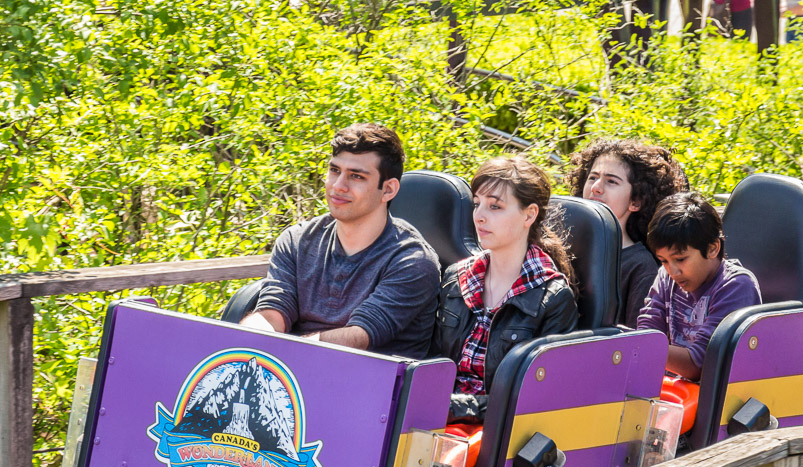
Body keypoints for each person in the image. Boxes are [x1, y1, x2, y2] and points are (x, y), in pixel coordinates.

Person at [242, 123, 440, 359]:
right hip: (293, 378)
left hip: (371, 385)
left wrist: (284, 352)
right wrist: (245, 337)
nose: (338, 186)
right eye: (335, 171)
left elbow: (359, 337)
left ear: (388, 190)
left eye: (356, 176)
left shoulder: (413, 261)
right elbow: (273, 312)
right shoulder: (297, 241)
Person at [432, 157, 580, 425]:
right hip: (434, 419)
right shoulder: (456, 278)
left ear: (529, 214)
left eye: (495, 206)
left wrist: (457, 408)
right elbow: (428, 360)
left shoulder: (554, 298)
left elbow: (538, 396)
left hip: (498, 436)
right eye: (477, 204)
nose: (479, 215)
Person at [636, 192, 761, 382]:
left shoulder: (736, 287)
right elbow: (649, 328)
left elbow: (699, 364)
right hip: (675, 394)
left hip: (715, 402)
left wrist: (640, 347)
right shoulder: (666, 276)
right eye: (664, 261)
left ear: (713, 248)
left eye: (680, 259)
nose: (673, 271)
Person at [567, 139, 689, 328]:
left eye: (611, 181)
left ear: (636, 202)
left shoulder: (641, 267)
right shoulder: (563, 248)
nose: (596, 187)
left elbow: (636, 343)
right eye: (592, 177)